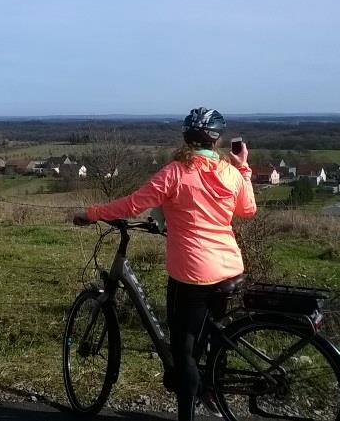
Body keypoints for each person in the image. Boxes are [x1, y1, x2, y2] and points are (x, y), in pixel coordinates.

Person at [74, 107, 256, 421]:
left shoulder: (175, 172)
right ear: (217, 140)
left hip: (192, 274)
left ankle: (187, 410)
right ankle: (211, 386)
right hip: (229, 268)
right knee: (211, 336)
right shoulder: (230, 173)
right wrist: (244, 169)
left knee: (183, 353)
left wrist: (90, 213)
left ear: (186, 137)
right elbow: (248, 210)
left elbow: (132, 205)